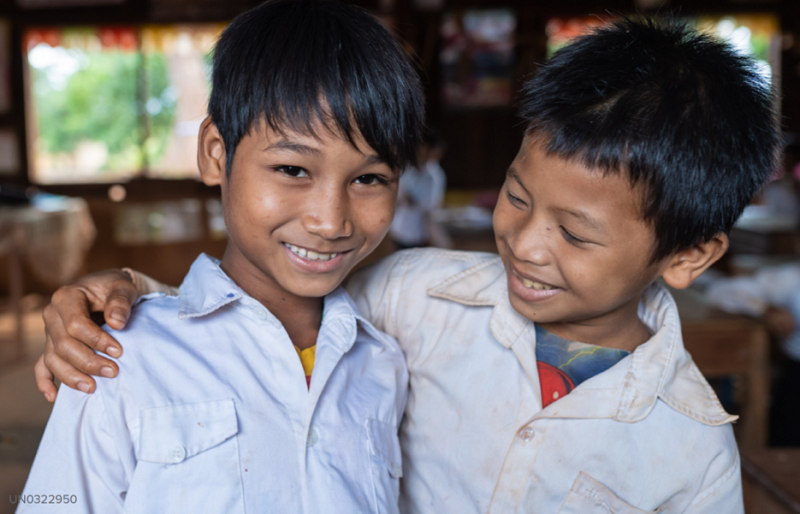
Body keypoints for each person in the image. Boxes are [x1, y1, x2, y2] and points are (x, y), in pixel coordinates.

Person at [36, 17, 778, 514]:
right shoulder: (415, 295)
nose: (525, 244)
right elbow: (261, 309)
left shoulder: (695, 448)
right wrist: (127, 291)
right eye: (516, 198)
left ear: (687, 255)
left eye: (576, 235)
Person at [19, 1, 424, 512]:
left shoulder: (383, 365)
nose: (331, 220)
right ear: (215, 153)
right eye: (293, 169)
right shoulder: (118, 357)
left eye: (368, 179)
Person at [389, 126, 447, 248]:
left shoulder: (435, 175)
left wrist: (412, 199)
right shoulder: (406, 167)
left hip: (420, 233)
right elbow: (396, 194)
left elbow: (433, 205)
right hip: (400, 230)